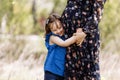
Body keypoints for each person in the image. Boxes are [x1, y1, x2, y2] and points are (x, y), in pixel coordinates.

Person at [61, 0, 106, 80]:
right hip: (69, 35)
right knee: (71, 72)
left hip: (86, 37)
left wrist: (84, 32)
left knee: (89, 72)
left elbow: (98, 11)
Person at [44, 13, 86, 80]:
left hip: (61, 72)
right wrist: (77, 37)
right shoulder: (52, 37)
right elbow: (64, 43)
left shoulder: (65, 36)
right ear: (50, 30)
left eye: (60, 27)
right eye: (54, 30)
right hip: (51, 71)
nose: (58, 31)